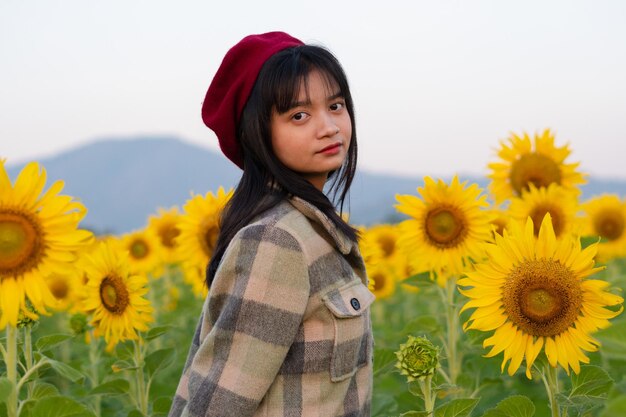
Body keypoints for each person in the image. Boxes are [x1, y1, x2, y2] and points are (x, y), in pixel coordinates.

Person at [169, 31, 374, 417]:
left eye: (336, 105)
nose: (328, 126)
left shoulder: (311, 229)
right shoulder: (277, 240)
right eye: (299, 115)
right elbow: (219, 403)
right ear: (258, 133)